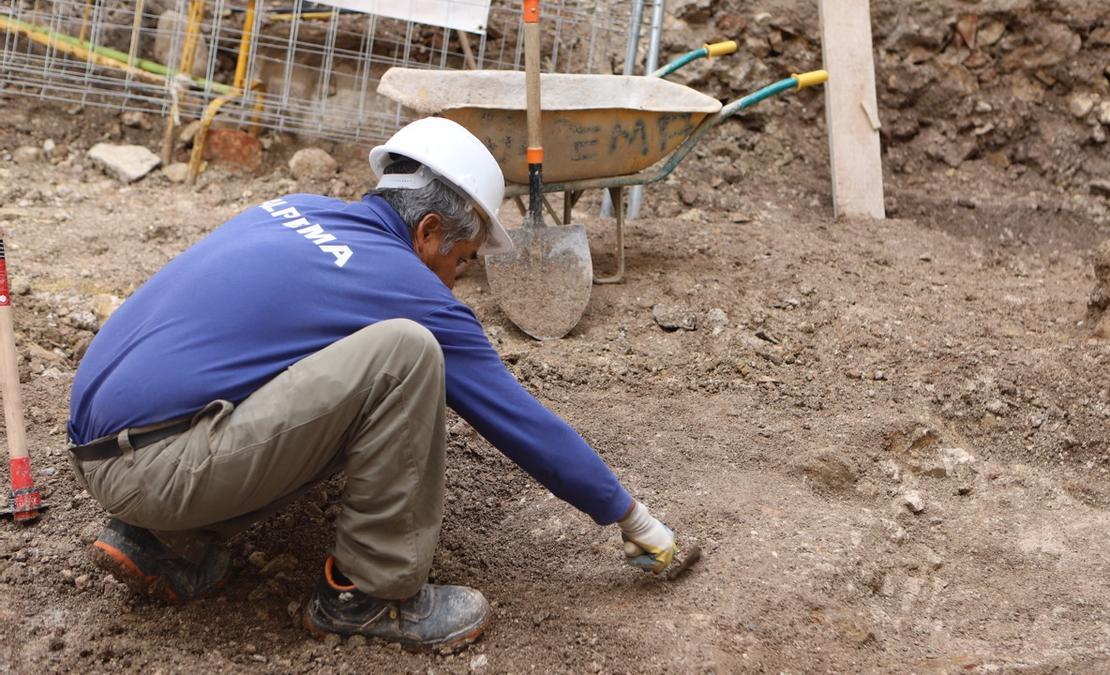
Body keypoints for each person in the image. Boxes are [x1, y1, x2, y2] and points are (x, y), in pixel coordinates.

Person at [65, 117, 677, 652]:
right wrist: (631, 516)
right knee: (406, 353)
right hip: (157, 469)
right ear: (429, 230)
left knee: (326, 369)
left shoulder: (297, 208)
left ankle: (163, 541)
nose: (457, 281)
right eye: (462, 260)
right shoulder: (408, 288)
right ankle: (368, 596)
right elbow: (516, 420)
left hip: (102, 445)